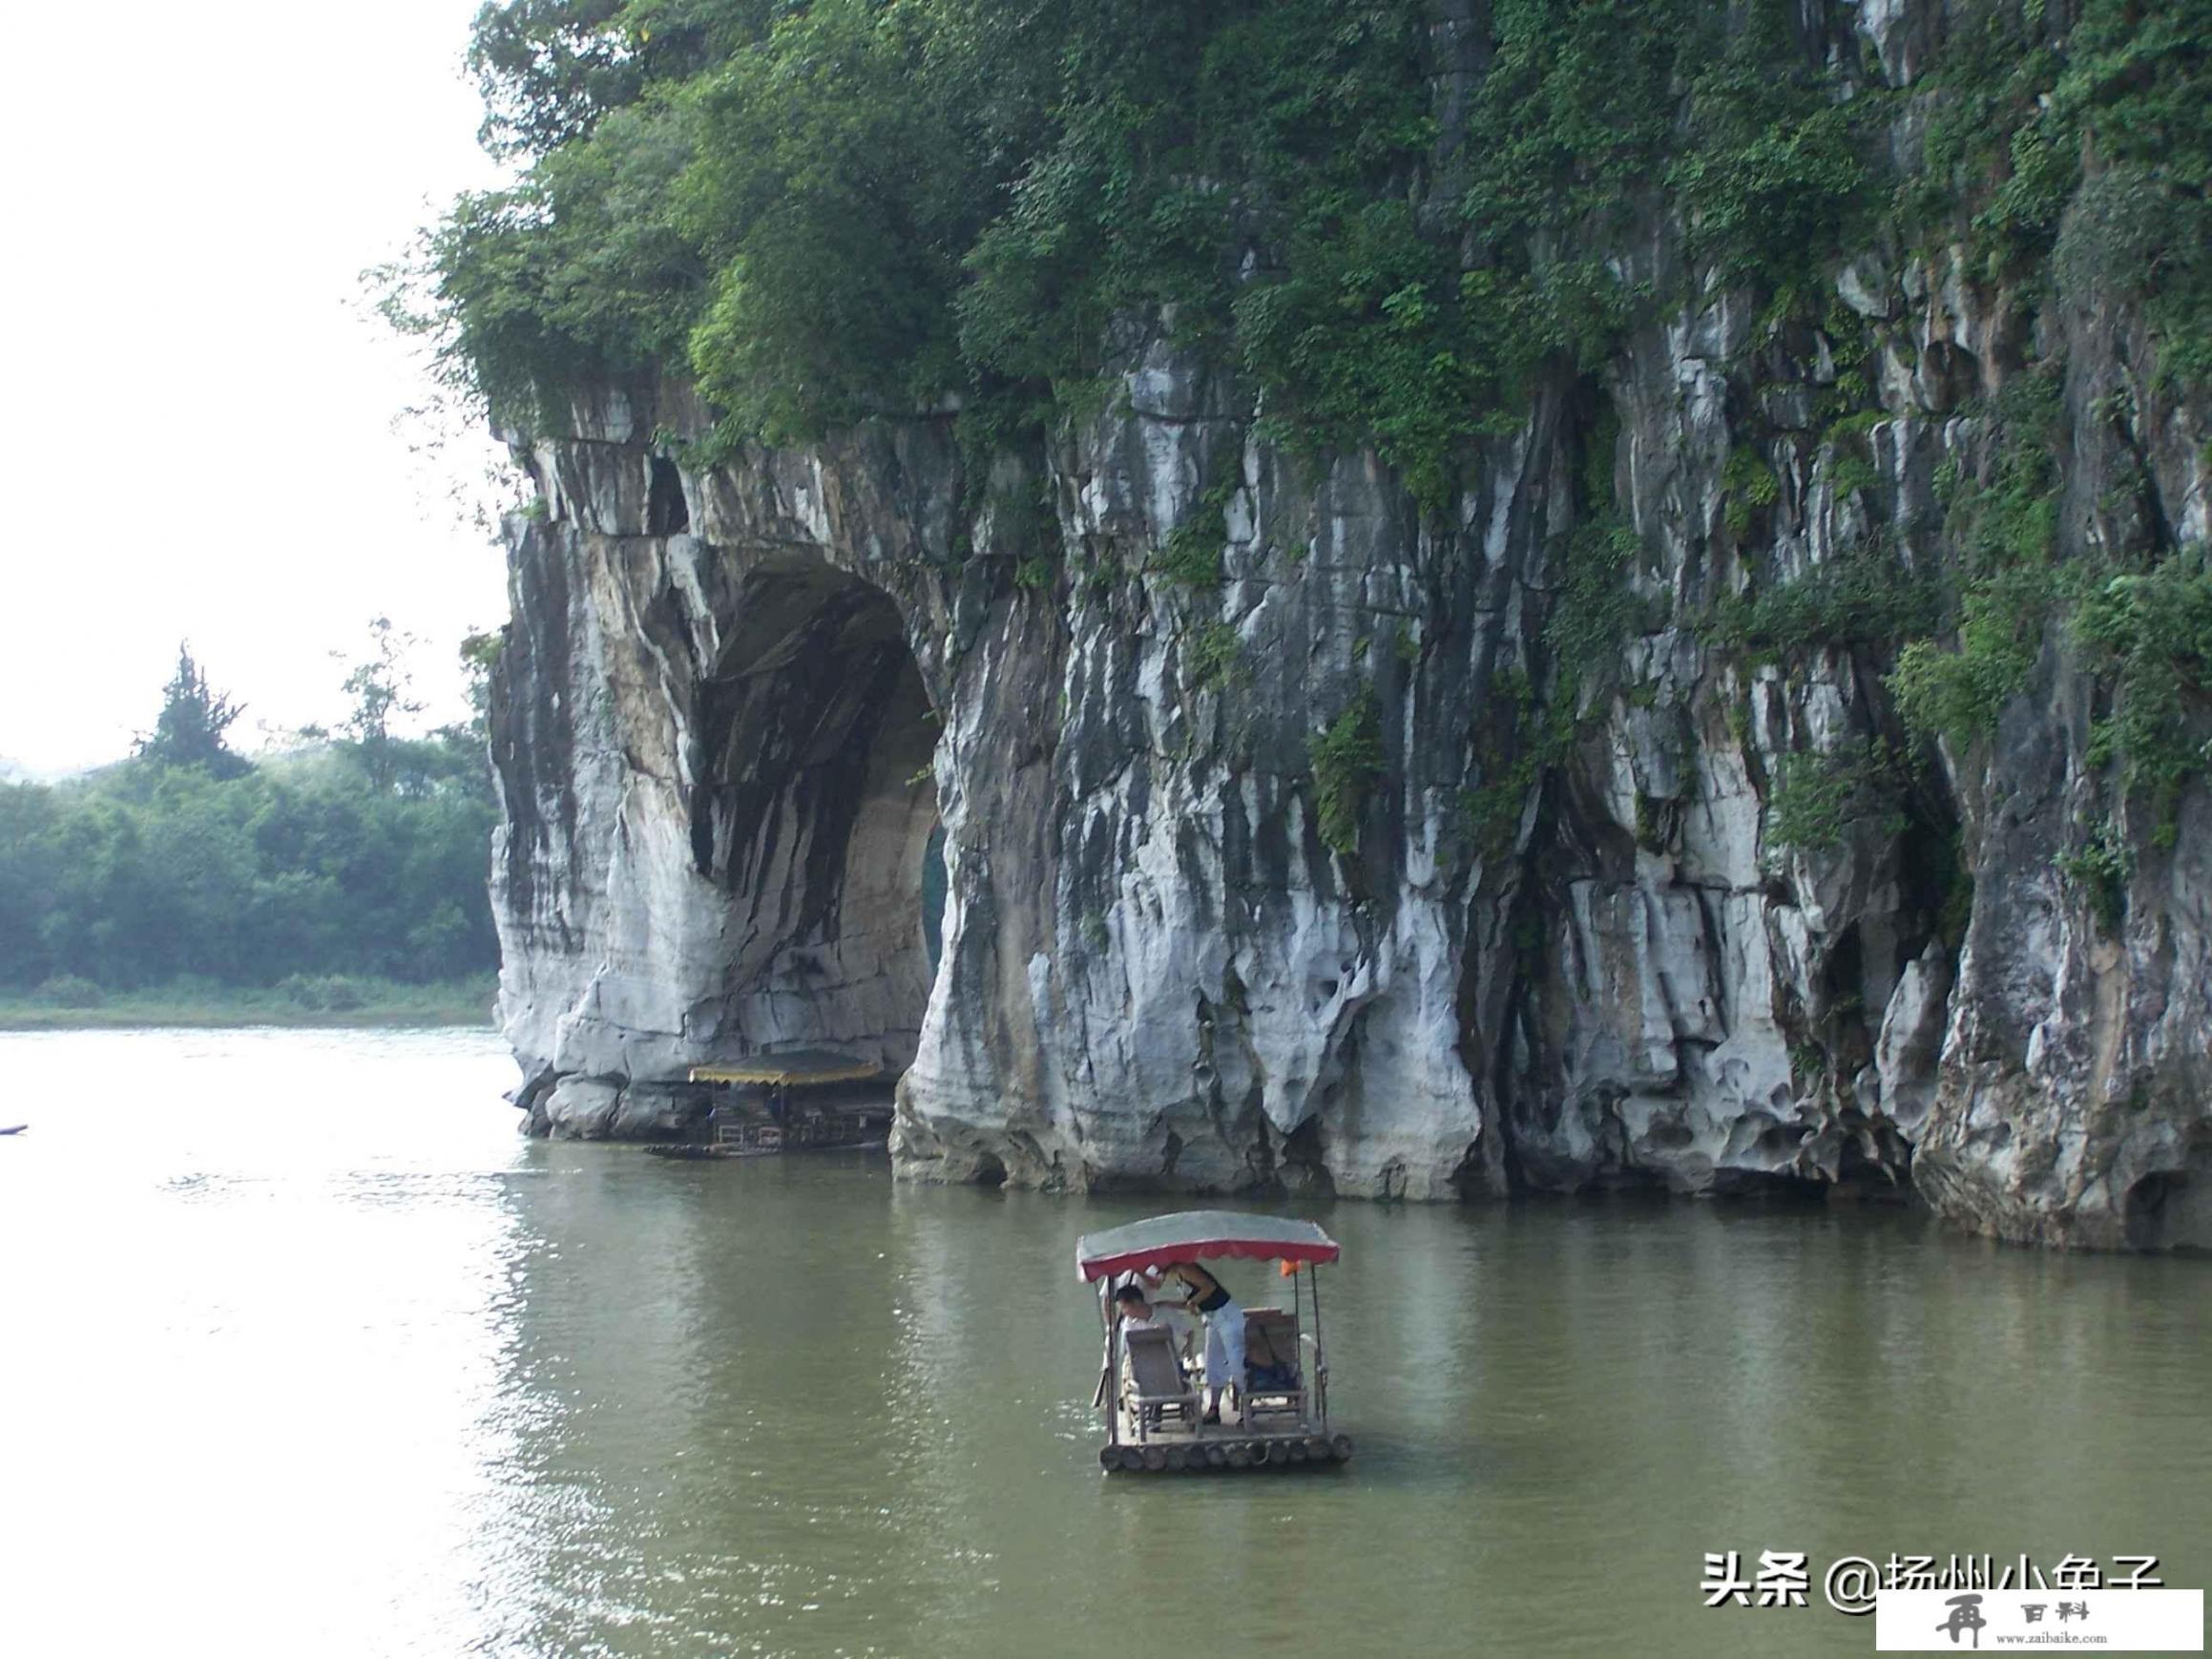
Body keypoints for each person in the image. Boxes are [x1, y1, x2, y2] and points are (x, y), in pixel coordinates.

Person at [1143, 1261, 1242, 1425]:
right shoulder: (1178, 1278)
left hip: (1226, 1316)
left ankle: (1246, 1412)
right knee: (1213, 1363)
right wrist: (1165, 1303)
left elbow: (1209, 1287)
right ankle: (1214, 1410)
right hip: (1211, 1318)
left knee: (1236, 1362)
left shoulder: (1185, 1268)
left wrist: (1192, 1302)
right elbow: (1190, 1302)